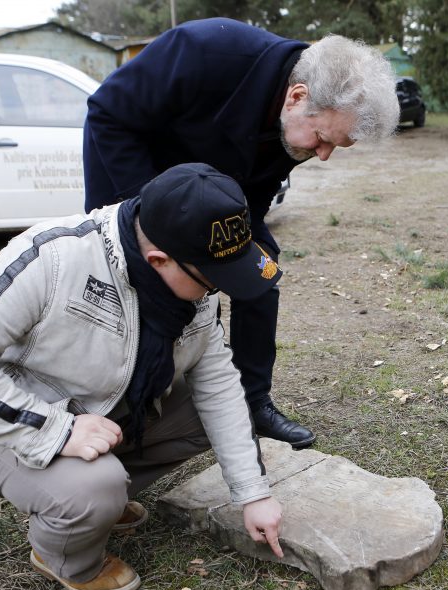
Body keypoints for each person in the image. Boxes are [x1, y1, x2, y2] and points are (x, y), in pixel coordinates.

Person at [0, 163, 285, 590]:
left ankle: (95, 495)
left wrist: (252, 494)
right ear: (158, 261)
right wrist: (56, 429)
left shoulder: (189, 277)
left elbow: (217, 383)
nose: (215, 292)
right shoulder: (53, 257)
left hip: (101, 412)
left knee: (210, 418)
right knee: (93, 490)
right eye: (211, 280)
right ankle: (68, 553)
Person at [84, 18, 399, 450]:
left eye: (334, 147)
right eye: (323, 140)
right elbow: (108, 113)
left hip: (210, 185)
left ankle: (252, 403)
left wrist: (243, 243)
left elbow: (263, 178)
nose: (322, 156)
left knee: (260, 271)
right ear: (297, 96)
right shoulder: (207, 52)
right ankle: (119, 404)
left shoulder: (302, 119)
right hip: (134, 168)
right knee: (144, 282)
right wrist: (150, 216)